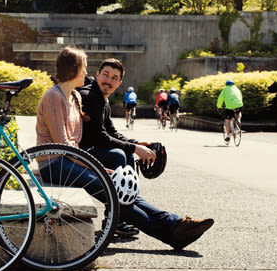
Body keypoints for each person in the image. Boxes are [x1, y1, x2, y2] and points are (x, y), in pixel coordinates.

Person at [74, 57, 213, 251]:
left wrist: (137, 143)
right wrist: (133, 148)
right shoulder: (91, 96)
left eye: (114, 77)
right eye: (105, 74)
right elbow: (99, 137)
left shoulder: (101, 98)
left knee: (125, 171)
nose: (108, 80)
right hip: (77, 157)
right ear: (97, 74)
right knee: (120, 158)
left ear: (119, 83)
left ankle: (169, 222)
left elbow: (112, 133)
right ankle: (168, 228)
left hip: (86, 153)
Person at [217, 80, 243, 144]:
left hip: (230, 106)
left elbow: (220, 98)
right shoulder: (237, 89)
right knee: (239, 111)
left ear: (226, 84)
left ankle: (228, 136)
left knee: (227, 120)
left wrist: (218, 106)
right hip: (239, 104)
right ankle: (238, 119)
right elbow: (240, 97)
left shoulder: (225, 89)